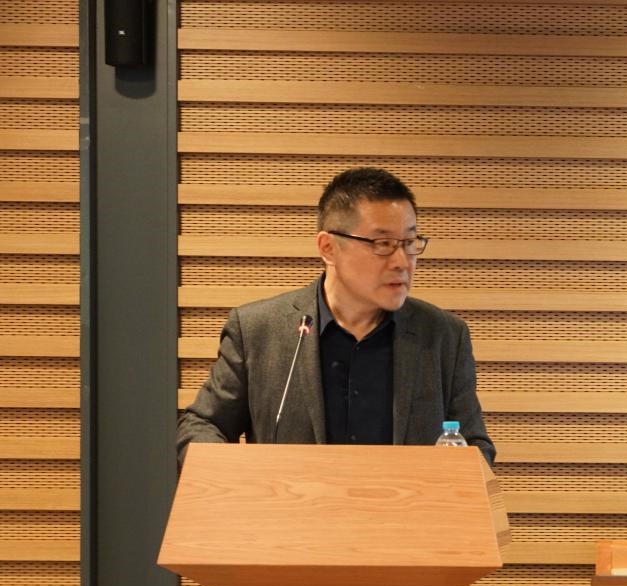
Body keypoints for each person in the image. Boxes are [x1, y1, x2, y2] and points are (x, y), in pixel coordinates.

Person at [177, 167, 495, 465]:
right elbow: (201, 425)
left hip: (407, 507)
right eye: (383, 244)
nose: (402, 261)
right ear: (328, 248)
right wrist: (240, 481)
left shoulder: (443, 336)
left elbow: (475, 444)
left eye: (409, 242)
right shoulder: (258, 330)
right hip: (293, 506)